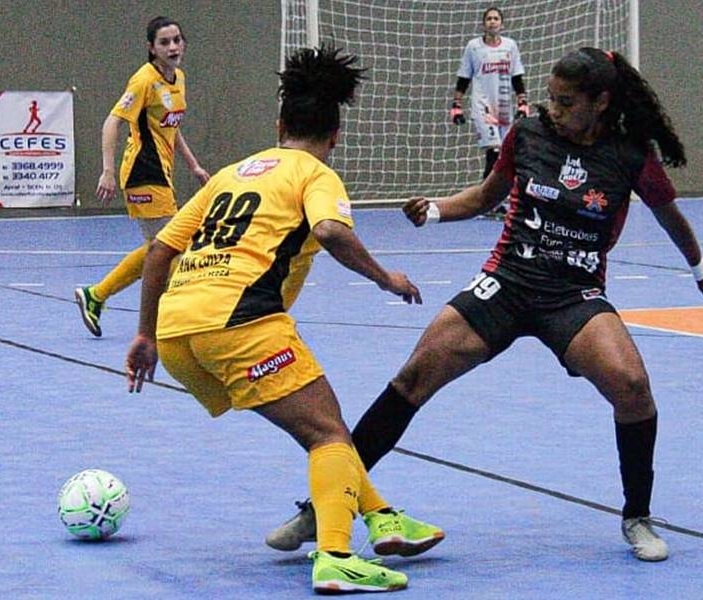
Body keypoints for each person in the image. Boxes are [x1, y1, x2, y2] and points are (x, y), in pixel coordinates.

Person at [267, 47, 703, 564]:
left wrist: (698, 270)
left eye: (566, 103)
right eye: (550, 99)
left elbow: (671, 218)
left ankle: (637, 516)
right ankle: (323, 508)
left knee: (632, 387)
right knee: (412, 378)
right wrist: (434, 210)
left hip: (574, 295)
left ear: (601, 102)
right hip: (507, 282)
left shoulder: (630, 155)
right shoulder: (530, 134)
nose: (554, 110)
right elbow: (484, 196)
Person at [124, 42, 445, 594]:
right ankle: (337, 556)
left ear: (279, 123)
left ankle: (383, 517)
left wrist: (145, 334)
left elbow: (159, 252)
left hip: (178, 334)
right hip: (241, 325)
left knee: (317, 427)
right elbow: (329, 231)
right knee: (329, 435)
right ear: (335, 136)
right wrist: (384, 277)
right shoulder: (315, 175)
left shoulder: (230, 174)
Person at [75, 16, 210, 337]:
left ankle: (96, 295)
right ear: (151, 48)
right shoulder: (143, 80)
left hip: (162, 173)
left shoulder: (178, 79)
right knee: (172, 247)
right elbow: (112, 122)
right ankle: (175, 318)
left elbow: (171, 128)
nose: (173, 47)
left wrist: (192, 165)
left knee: (159, 247)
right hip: (142, 172)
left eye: (177, 40)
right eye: (164, 42)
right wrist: (107, 171)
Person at [450, 6, 528, 219]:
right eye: (489, 19)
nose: (492, 22)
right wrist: (456, 105)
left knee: (505, 154)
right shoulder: (474, 47)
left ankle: (497, 200)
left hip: (504, 106)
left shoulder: (510, 46)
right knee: (494, 153)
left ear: (502, 24)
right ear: (483, 24)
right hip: (482, 106)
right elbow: (464, 77)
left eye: (496, 19)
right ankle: (488, 202)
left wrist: (522, 103)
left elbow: (517, 77)